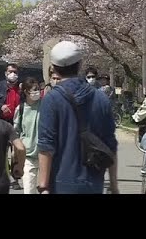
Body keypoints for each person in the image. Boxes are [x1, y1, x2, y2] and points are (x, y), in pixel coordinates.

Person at [38, 41, 119, 194]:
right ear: (80, 64)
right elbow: (111, 144)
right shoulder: (101, 98)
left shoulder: (51, 99)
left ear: (54, 68)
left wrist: (43, 186)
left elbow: (46, 146)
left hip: (60, 182)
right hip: (94, 181)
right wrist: (114, 185)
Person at [13, 77, 41, 194]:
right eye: (34, 90)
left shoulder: (45, 105)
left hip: (45, 153)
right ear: (26, 92)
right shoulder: (21, 109)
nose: (37, 92)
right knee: (29, 189)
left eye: (38, 89)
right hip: (27, 155)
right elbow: (16, 132)